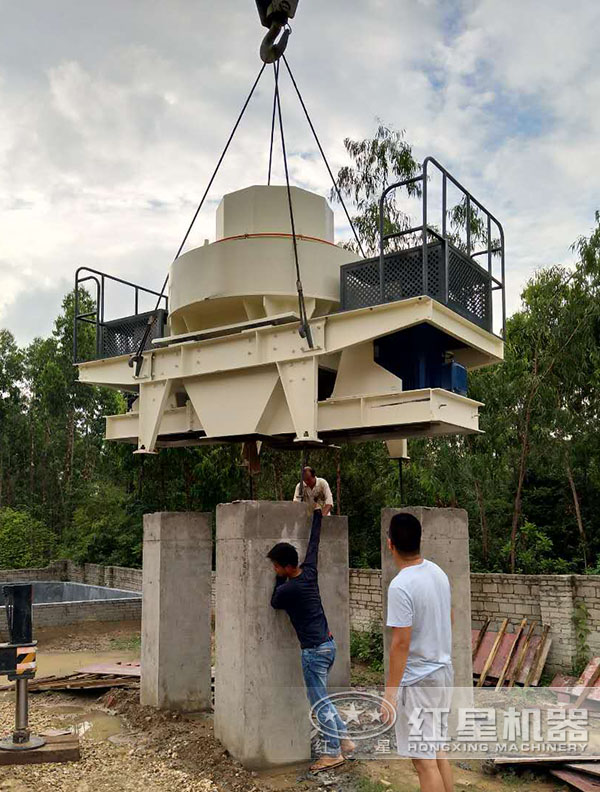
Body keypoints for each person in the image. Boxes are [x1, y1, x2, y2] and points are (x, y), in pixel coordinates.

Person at [267, 508, 354, 772]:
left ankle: (332, 753)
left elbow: (274, 602)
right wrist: (318, 515)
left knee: (318, 702)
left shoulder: (288, 589)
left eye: (276, 566)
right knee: (323, 698)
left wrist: (278, 579)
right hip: (328, 646)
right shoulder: (309, 572)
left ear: (285, 567)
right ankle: (345, 740)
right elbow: (313, 544)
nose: (274, 569)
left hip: (314, 652)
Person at [381, 512, 454, 792]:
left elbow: (401, 643)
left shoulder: (401, 586)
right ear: (419, 540)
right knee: (437, 750)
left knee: (424, 762)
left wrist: (390, 695)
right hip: (442, 673)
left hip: (419, 682)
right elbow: (449, 618)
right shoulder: (437, 572)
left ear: (390, 543)